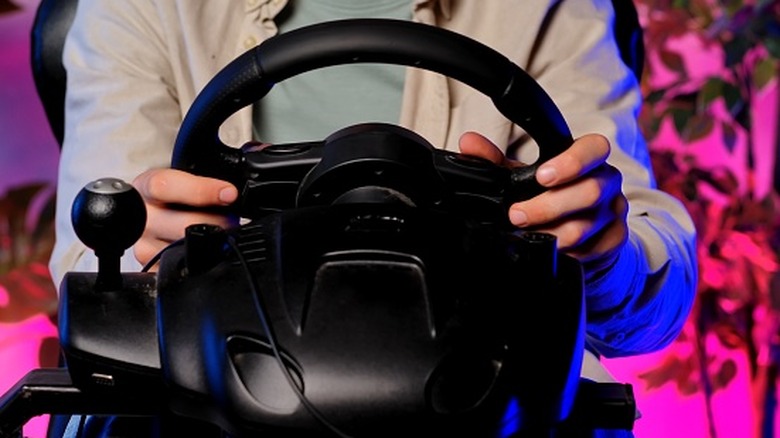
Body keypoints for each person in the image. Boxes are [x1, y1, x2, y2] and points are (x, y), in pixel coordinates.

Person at [50, 0, 698, 436]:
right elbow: (88, 258)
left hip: (481, 380)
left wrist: (607, 250)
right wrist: (141, 242)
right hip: (213, 383)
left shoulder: (550, 8)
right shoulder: (136, 7)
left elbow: (651, 296)